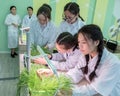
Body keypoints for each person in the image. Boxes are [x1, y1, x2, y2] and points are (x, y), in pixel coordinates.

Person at [37, 24, 120, 96]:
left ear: (96, 42)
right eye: (79, 42)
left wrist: (71, 92)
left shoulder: (112, 64)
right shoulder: (85, 55)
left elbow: (94, 89)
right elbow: (75, 73)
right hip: (89, 88)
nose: (80, 46)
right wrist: (55, 74)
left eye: (83, 42)